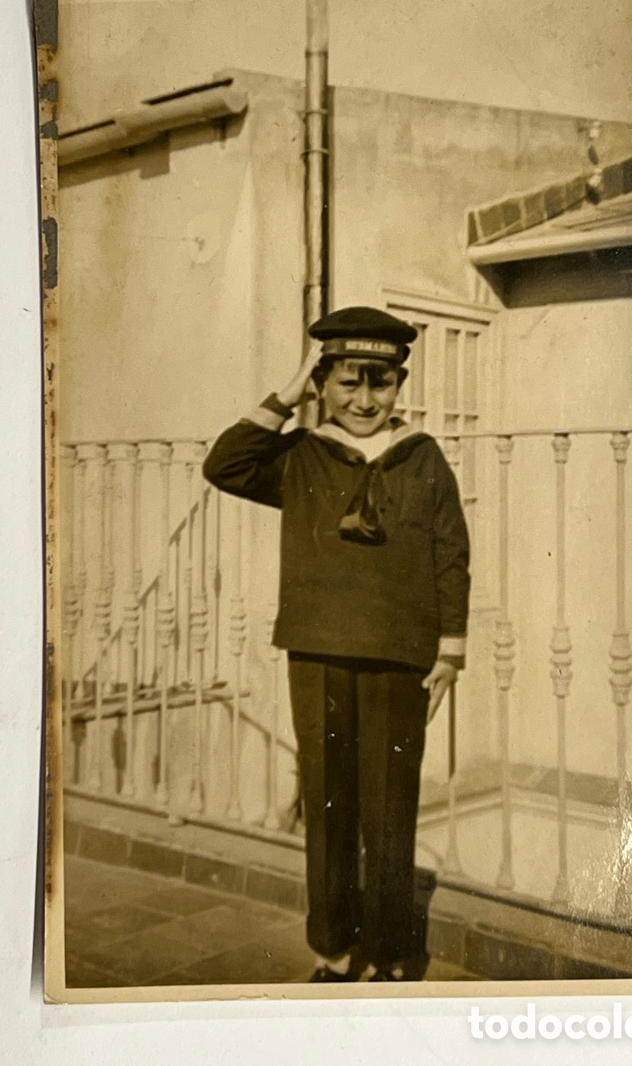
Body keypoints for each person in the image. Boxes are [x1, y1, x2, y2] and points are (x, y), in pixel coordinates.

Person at [203, 306, 470, 982]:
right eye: (347, 383)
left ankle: (388, 951)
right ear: (322, 383)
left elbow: (450, 555)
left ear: (400, 386)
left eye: (380, 384)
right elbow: (226, 465)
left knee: (389, 805)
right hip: (317, 652)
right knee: (328, 801)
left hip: (400, 659)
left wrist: (450, 652)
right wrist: (286, 395)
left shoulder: (424, 459)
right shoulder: (301, 457)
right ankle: (336, 946)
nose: (364, 401)